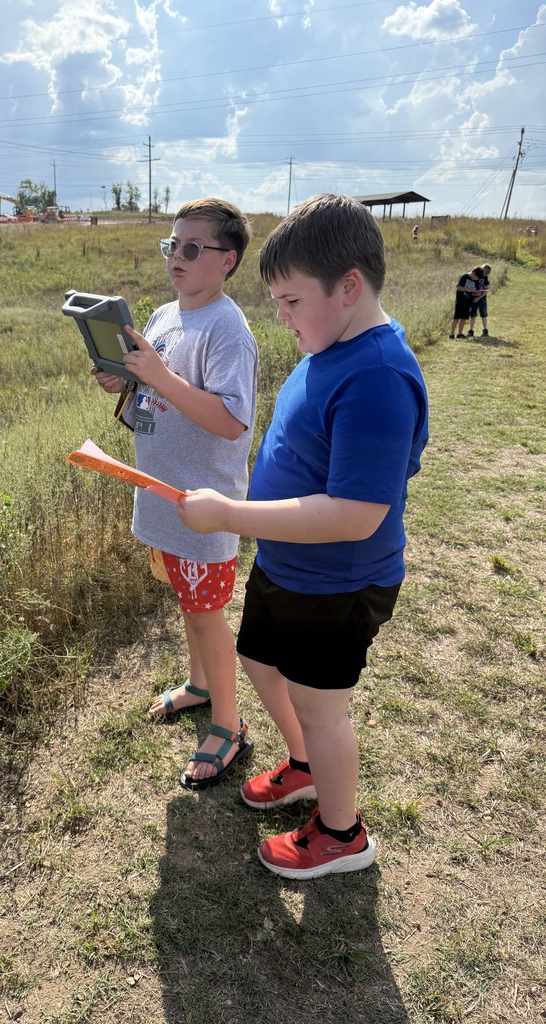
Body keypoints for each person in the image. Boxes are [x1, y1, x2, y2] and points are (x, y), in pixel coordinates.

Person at [178, 193, 429, 879]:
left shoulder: (376, 376)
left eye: (290, 301)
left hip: (338, 583)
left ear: (349, 287)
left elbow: (355, 514)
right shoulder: (334, 341)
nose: (279, 317)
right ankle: (306, 768)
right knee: (260, 659)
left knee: (323, 709)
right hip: (290, 569)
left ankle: (342, 833)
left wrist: (231, 516)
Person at [91, 198, 258, 790]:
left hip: (203, 510)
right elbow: (151, 393)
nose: (177, 257)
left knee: (209, 616)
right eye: (172, 245)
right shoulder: (164, 316)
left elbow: (232, 420)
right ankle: (200, 685)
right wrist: (128, 379)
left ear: (227, 261)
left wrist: (160, 377)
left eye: (193, 248)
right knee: (189, 608)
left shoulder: (228, 331)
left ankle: (229, 726)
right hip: (164, 500)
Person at [450, 268, 480, 338]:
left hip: (468, 301)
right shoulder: (464, 277)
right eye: (477, 277)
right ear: (473, 274)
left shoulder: (477, 280)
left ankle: (460, 334)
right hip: (460, 301)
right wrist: (468, 289)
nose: (477, 279)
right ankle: (451, 334)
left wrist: (477, 293)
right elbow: (458, 287)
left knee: (463, 318)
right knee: (456, 317)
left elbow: (476, 291)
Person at [468, 264, 491, 337]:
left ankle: (485, 330)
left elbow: (486, 290)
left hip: (482, 298)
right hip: (474, 297)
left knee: (483, 314)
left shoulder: (485, 278)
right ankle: (471, 330)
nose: (483, 274)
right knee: (473, 314)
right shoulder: (475, 276)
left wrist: (479, 297)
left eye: (485, 273)